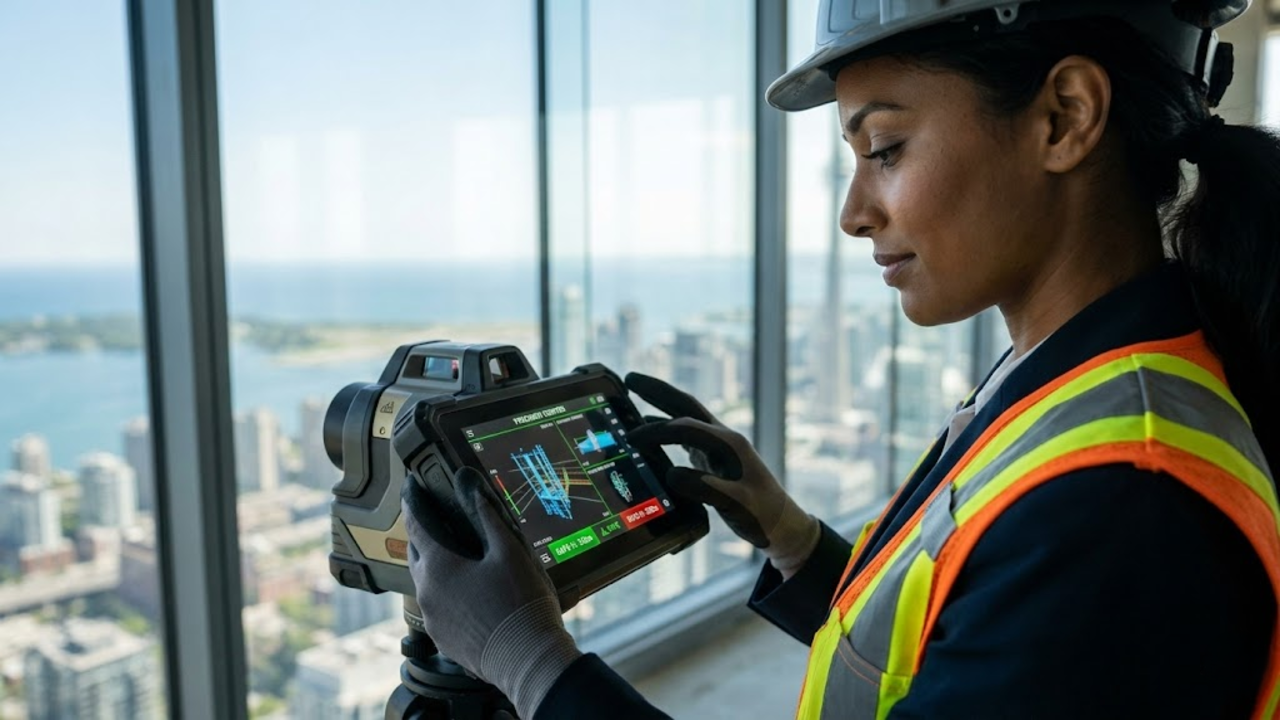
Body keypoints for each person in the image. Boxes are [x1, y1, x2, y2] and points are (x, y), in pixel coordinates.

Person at [399, 1, 1280, 717]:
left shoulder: (1121, 499)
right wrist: (792, 540)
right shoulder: (1074, 376)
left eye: (885, 150)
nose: (854, 212)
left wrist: (533, 663)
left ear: (1064, 118)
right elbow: (961, 648)